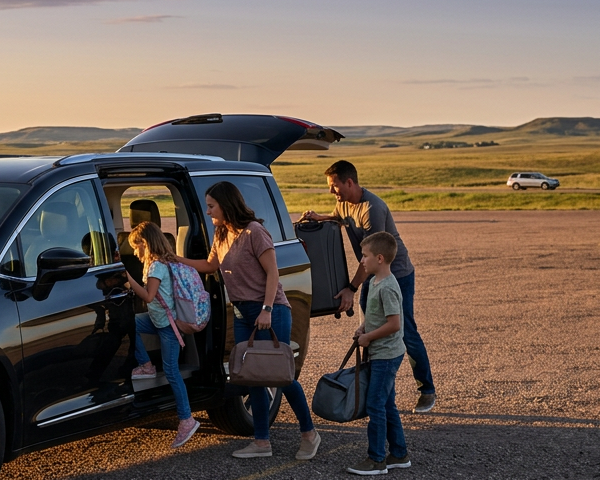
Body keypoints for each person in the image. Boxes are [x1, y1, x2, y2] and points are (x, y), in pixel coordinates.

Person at [178, 182, 320, 460]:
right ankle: (261, 442)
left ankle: (309, 434)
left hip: (271, 311)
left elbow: (273, 273)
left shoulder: (255, 232)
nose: (207, 212)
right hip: (242, 313)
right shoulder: (221, 234)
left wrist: (267, 309)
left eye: (211, 206)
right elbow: (210, 266)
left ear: (226, 204)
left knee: (281, 375)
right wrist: (174, 259)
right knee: (254, 376)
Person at [301, 159, 436, 413]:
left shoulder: (372, 208)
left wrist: (351, 289)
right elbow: (341, 217)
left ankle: (426, 390)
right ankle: (379, 391)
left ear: (349, 182)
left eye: (334, 186)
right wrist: (322, 217)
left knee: (403, 331)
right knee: (371, 331)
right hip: (373, 274)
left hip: (396, 275)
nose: (332, 192)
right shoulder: (343, 203)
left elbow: (372, 258)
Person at [123, 221, 200, 449]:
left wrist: (128, 279)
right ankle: (146, 364)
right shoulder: (153, 264)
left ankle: (187, 419)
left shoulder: (156, 266)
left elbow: (148, 296)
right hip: (157, 321)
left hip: (168, 327)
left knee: (171, 371)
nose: (134, 252)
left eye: (136, 247)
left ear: (145, 244)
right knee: (131, 324)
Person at [346, 232, 411, 475]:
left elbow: (395, 324)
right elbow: (378, 317)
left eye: (365, 256)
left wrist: (369, 337)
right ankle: (399, 453)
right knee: (387, 404)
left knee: (375, 405)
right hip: (379, 352)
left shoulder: (388, 287)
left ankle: (377, 459)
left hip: (386, 355)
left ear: (380, 258)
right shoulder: (373, 282)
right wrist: (364, 327)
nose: (362, 260)